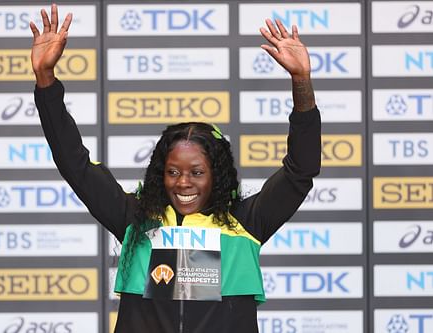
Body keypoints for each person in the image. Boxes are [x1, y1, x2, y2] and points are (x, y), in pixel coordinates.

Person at [31, 4, 321, 333]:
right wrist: (46, 80)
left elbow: (301, 169)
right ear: (160, 173)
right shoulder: (134, 218)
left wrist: (301, 82)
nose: (183, 183)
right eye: (173, 172)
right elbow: (74, 163)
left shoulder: (245, 222)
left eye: (197, 172)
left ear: (216, 175)